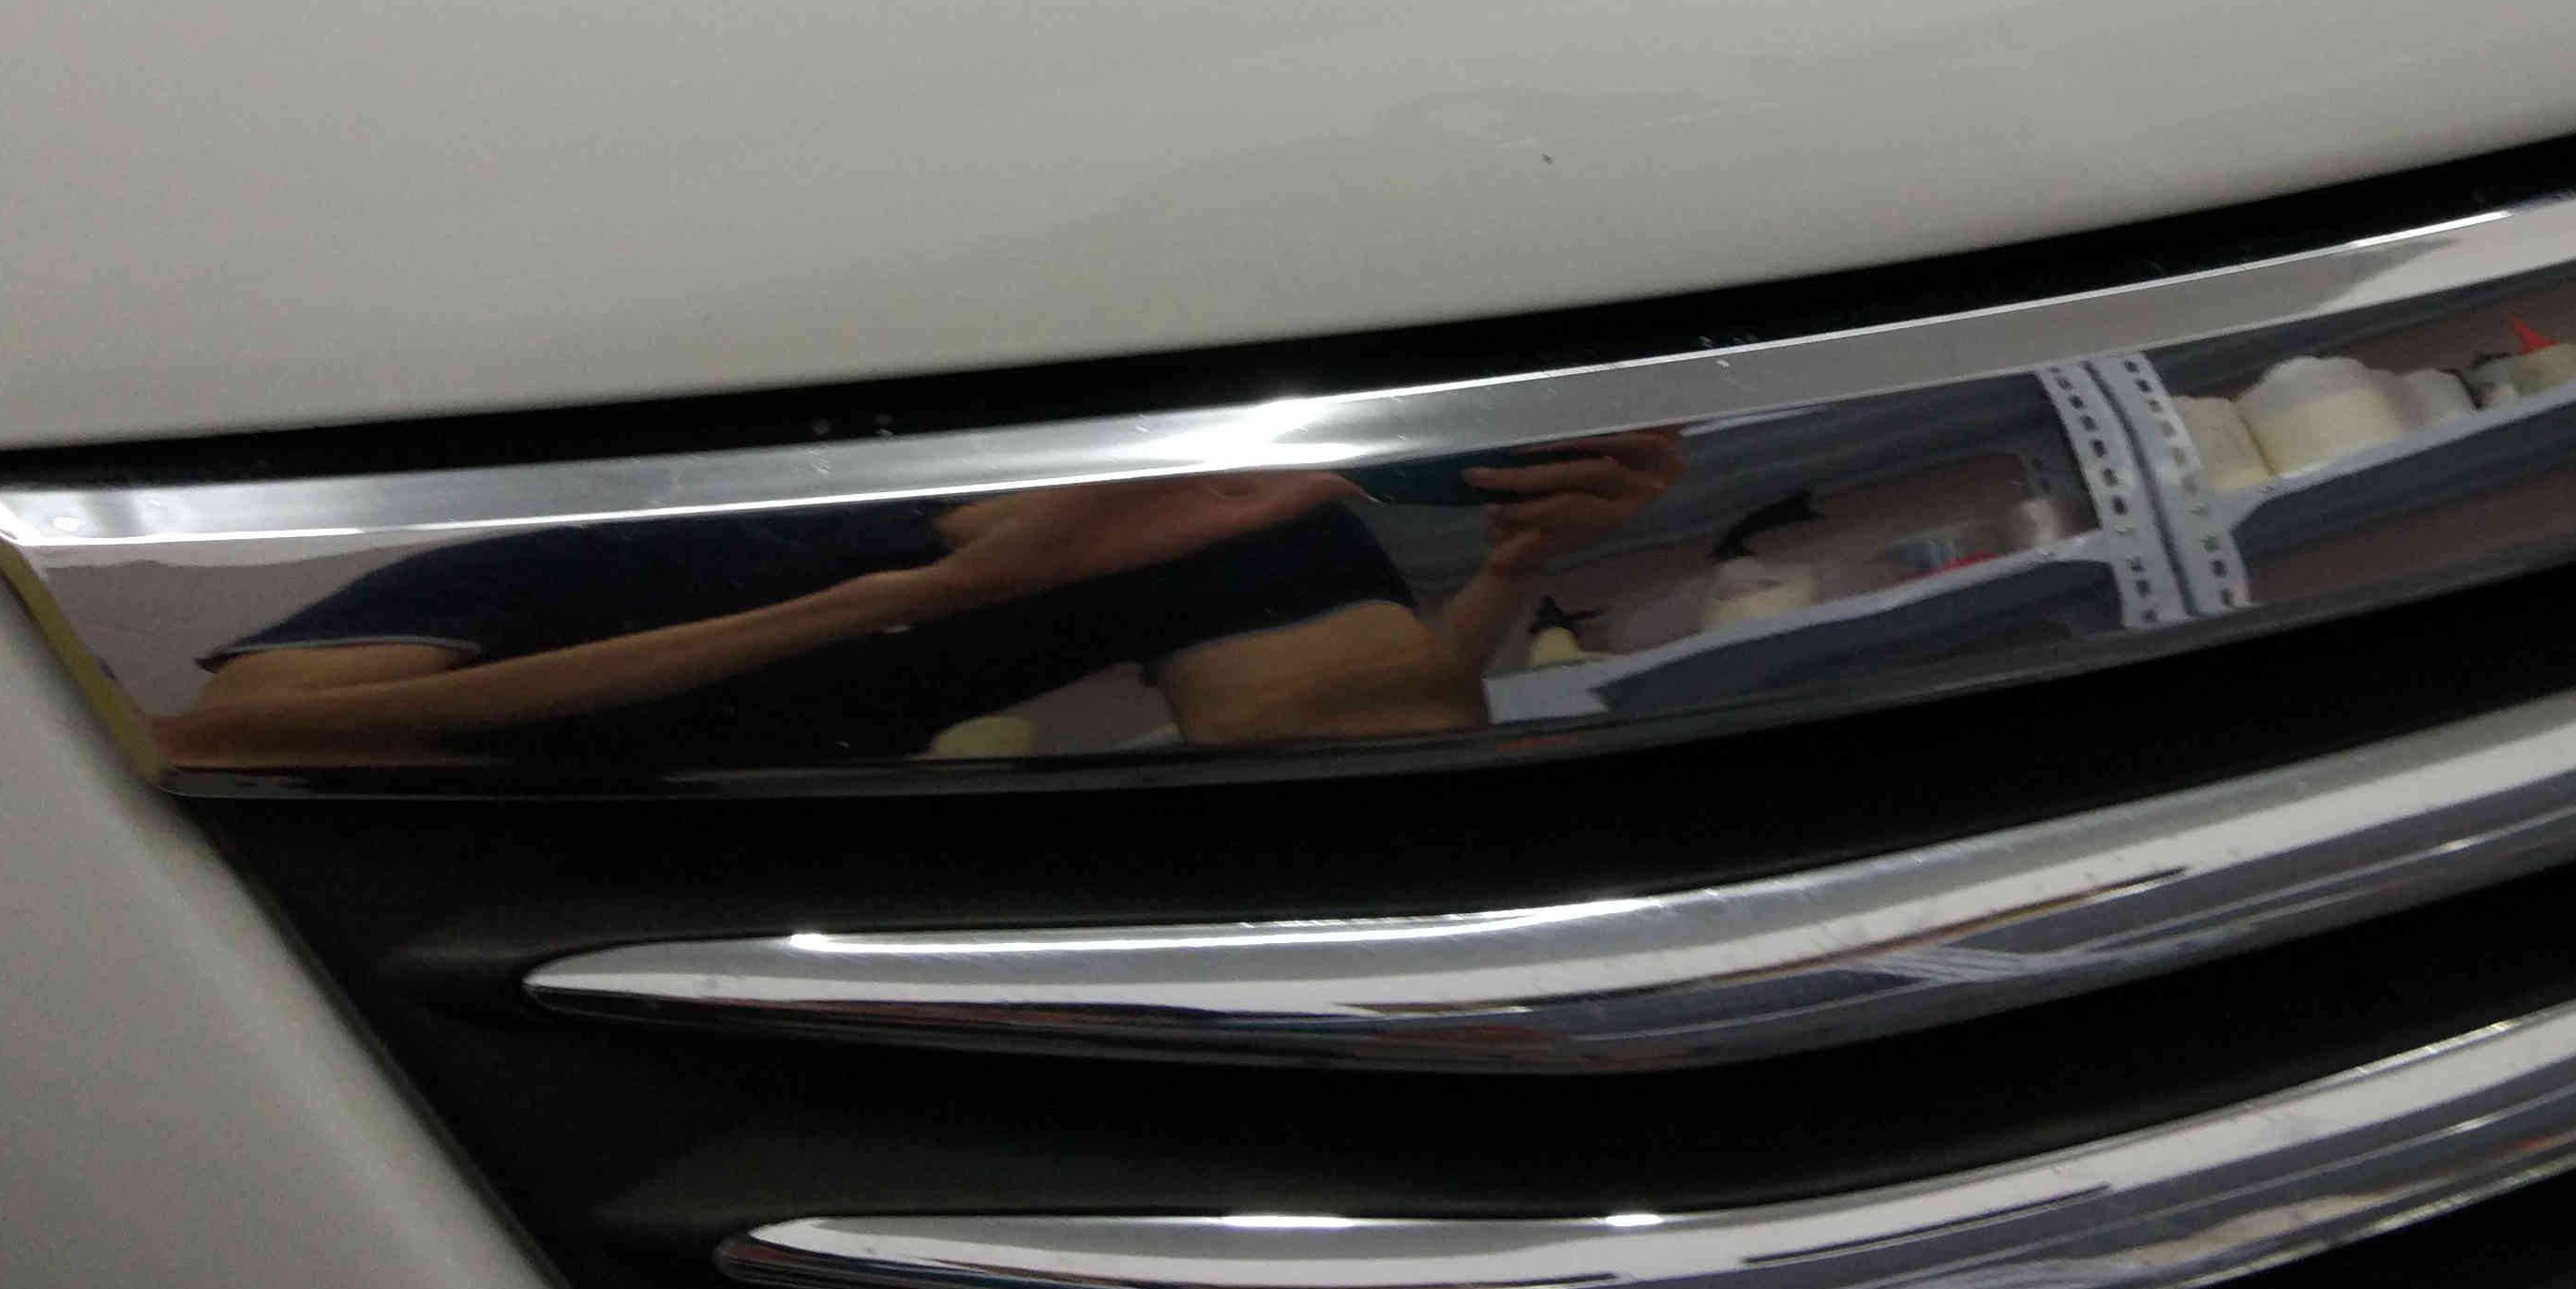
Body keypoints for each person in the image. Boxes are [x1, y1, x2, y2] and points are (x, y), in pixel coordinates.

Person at [152, 438, 1685, 772]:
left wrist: (1512, 567)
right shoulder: (636, 547)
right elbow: (226, 741)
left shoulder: (1221, 518)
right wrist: (917, 598)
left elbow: (1381, 741)